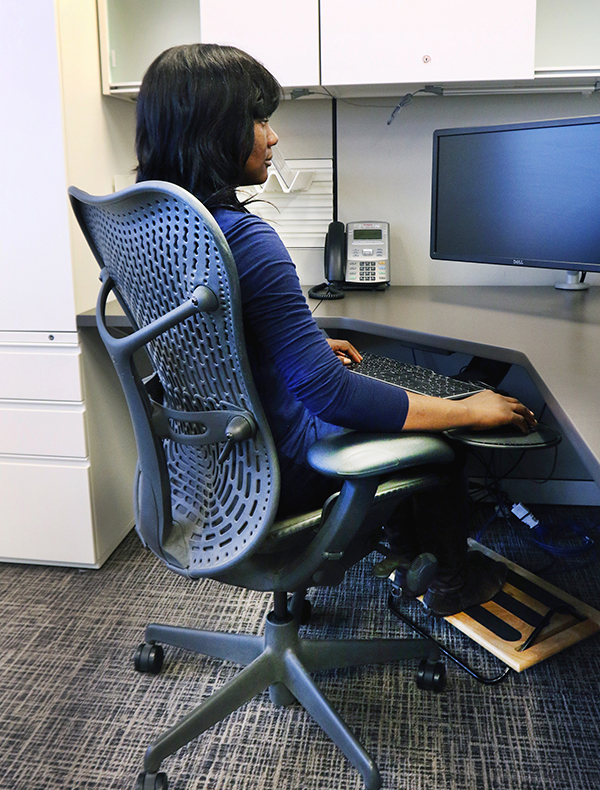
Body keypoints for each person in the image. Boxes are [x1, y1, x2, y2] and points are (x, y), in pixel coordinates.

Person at [134, 43, 537, 616]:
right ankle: (452, 582)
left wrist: (297, 345)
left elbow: (209, 346)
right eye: (259, 119)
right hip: (276, 471)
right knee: (445, 442)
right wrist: (470, 409)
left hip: (202, 468)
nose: (272, 137)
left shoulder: (158, 229)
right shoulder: (245, 240)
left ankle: (401, 551)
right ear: (214, 129)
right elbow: (333, 394)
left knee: (383, 391)